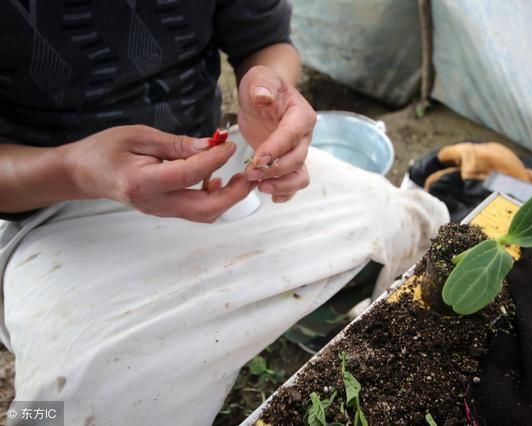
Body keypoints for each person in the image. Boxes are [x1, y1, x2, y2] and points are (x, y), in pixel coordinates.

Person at [0, 1, 448, 424]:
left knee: (413, 224)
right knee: (63, 405)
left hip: (219, 160)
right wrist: (74, 169)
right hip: (52, 203)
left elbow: (266, 43)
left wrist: (270, 93)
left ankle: (321, 325)